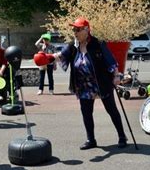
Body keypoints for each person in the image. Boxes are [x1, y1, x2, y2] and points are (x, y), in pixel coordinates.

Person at [36, 17, 127, 150]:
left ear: (86, 30)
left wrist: (116, 75)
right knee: (86, 112)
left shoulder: (98, 43)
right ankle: (91, 139)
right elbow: (61, 55)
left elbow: (110, 60)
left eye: (78, 29)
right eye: (74, 29)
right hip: (83, 85)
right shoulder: (73, 46)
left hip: (100, 83)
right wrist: (48, 58)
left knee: (111, 110)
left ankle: (122, 137)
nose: (75, 32)